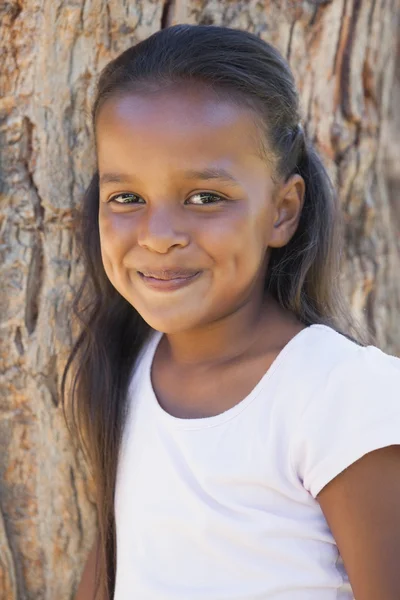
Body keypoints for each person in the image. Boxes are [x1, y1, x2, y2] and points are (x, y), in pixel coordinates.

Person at [62, 24, 400, 600]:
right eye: (127, 198)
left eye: (205, 198)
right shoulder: (132, 364)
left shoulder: (340, 394)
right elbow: (118, 565)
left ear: (282, 210)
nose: (159, 235)